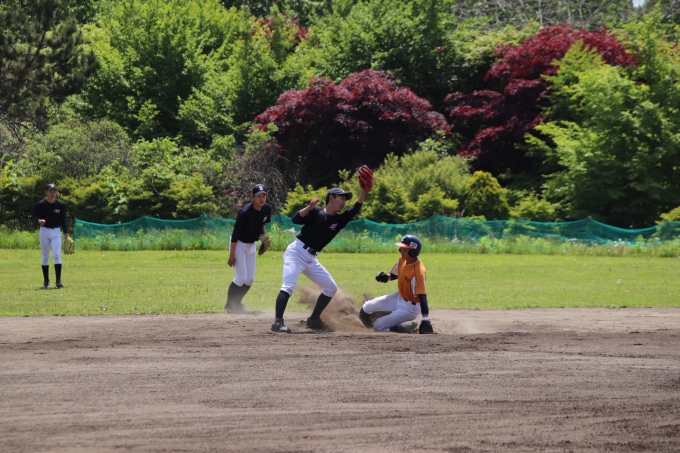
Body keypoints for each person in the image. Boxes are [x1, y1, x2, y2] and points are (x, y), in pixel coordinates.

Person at [271, 186, 369, 333]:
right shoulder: (315, 212)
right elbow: (295, 219)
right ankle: (278, 323)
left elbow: (355, 209)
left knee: (330, 288)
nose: (344, 202)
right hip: (296, 253)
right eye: (341, 198)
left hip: (311, 258)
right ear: (331, 198)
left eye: (345, 199)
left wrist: (363, 192)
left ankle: (314, 319)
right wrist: (309, 207)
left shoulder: (339, 220)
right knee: (288, 286)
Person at [358, 235, 433, 333]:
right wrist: (385, 277)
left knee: (378, 326)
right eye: (401, 248)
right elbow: (394, 275)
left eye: (405, 250)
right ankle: (361, 326)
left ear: (413, 252)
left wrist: (425, 319)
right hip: (399, 297)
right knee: (367, 306)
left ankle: (400, 328)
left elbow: (422, 296)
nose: (401, 251)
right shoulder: (402, 260)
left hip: (410, 308)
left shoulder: (418, 271)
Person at [226, 184, 272, 314]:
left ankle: (237, 303)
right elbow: (235, 234)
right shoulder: (245, 212)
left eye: (264, 196)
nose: (261, 199)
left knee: (250, 278)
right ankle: (229, 305)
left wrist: (264, 237)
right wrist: (232, 255)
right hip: (239, 244)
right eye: (258, 196)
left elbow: (262, 223)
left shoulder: (266, 208)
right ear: (253, 197)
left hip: (251, 245)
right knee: (240, 277)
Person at [33, 183, 69, 289]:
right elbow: (34, 217)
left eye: (54, 191)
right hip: (44, 231)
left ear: (57, 192)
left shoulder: (60, 205)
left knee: (57, 255)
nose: (52, 193)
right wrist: (39, 221)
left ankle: (58, 281)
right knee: (45, 256)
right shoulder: (41, 204)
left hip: (56, 231)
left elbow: (63, 219)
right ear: (46, 192)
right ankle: (46, 282)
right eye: (50, 191)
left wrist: (66, 232)